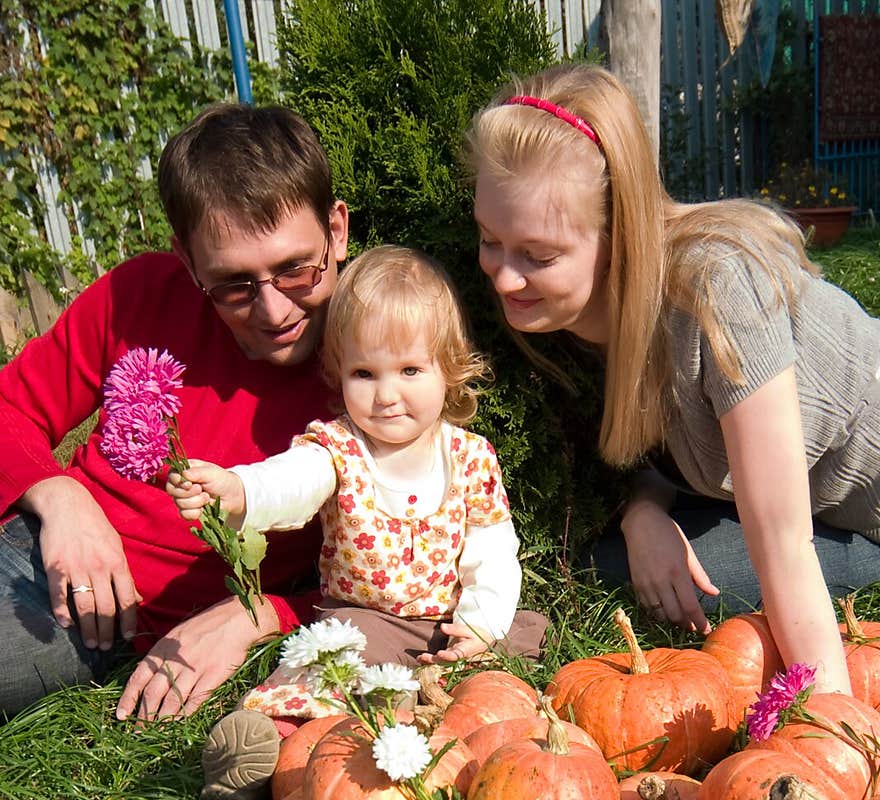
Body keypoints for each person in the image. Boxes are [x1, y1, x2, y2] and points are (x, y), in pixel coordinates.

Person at [465, 62, 880, 696]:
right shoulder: (563, 317)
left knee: (648, 578)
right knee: (624, 563)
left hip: (860, 507)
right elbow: (648, 450)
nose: (502, 278)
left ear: (618, 233)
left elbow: (785, 542)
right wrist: (642, 509)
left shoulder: (718, 291)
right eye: (489, 239)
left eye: (537, 255)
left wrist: (831, 729)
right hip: (784, 501)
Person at [0, 101, 349, 721]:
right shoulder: (140, 296)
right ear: (188, 263)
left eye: (296, 268)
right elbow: (10, 407)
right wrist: (60, 497)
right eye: (235, 284)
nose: (273, 312)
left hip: (100, 625)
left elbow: (405, 560)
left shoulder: (380, 356)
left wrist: (260, 613)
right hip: (44, 554)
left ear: (337, 231)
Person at [166, 243, 547, 727]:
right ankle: (272, 739)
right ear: (338, 373)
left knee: (510, 643)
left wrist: (478, 626)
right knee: (332, 668)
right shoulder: (338, 448)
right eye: (364, 373)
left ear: (447, 369)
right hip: (367, 620)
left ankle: (442, 707)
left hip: (451, 622)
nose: (386, 396)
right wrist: (240, 489)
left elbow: (491, 553)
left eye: (410, 370)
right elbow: (292, 480)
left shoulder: (470, 458)